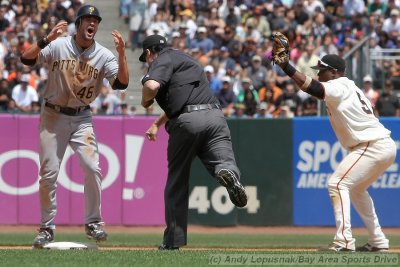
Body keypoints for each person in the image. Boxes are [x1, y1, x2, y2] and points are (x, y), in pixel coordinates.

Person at [20, 5, 129, 248]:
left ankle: (93, 222)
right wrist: (47, 39)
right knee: (48, 174)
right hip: (52, 115)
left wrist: (121, 54)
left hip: (82, 118)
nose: (92, 23)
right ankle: (46, 227)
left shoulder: (103, 54)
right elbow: (26, 58)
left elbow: (121, 84)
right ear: (78, 23)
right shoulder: (58, 45)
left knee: (92, 168)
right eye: (88, 19)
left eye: (95, 20)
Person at [275, 52, 396, 252]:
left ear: (333, 72)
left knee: (337, 183)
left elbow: (313, 88)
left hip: (372, 144)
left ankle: (344, 241)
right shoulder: (349, 87)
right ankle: (378, 241)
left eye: (321, 71)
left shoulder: (339, 85)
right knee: (356, 190)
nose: (318, 75)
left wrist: (287, 67)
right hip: (381, 144)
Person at [139, 34, 247, 250]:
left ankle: (172, 241)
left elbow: (151, 86)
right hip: (215, 117)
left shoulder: (162, 59)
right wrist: (157, 124)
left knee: (177, 182)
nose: (148, 61)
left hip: (187, 123)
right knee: (223, 162)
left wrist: (145, 101)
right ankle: (229, 175)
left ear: (151, 52)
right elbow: (185, 100)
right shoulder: (188, 61)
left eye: (147, 57)